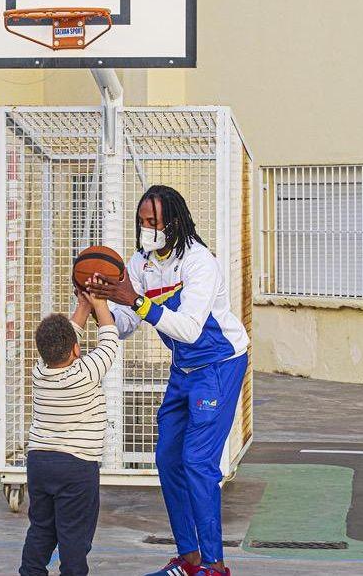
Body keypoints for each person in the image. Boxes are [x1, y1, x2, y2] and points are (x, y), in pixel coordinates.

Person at [87, 185, 249, 576]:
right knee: (167, 460)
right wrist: (99, 303)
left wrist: (136, 300)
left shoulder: (199, 262)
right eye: (142, 222)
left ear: (173, 221)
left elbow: (190, 329)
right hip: (184, 370)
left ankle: (215, 565)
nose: (146, 229)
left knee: (197, 462)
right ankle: (189, 558)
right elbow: (126, 325)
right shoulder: (140, 263)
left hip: (219, 364)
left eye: (153, 222)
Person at [19, 291, 121, 576]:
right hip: (76, 466)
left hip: (40, 462)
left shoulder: (40, 370)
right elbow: (110, 340)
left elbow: (69, 335)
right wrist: (99, 303)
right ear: (76, 350)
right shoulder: (85, 372)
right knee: (74, 537)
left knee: (41, 528)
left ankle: (30, 572)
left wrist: (82, 306)